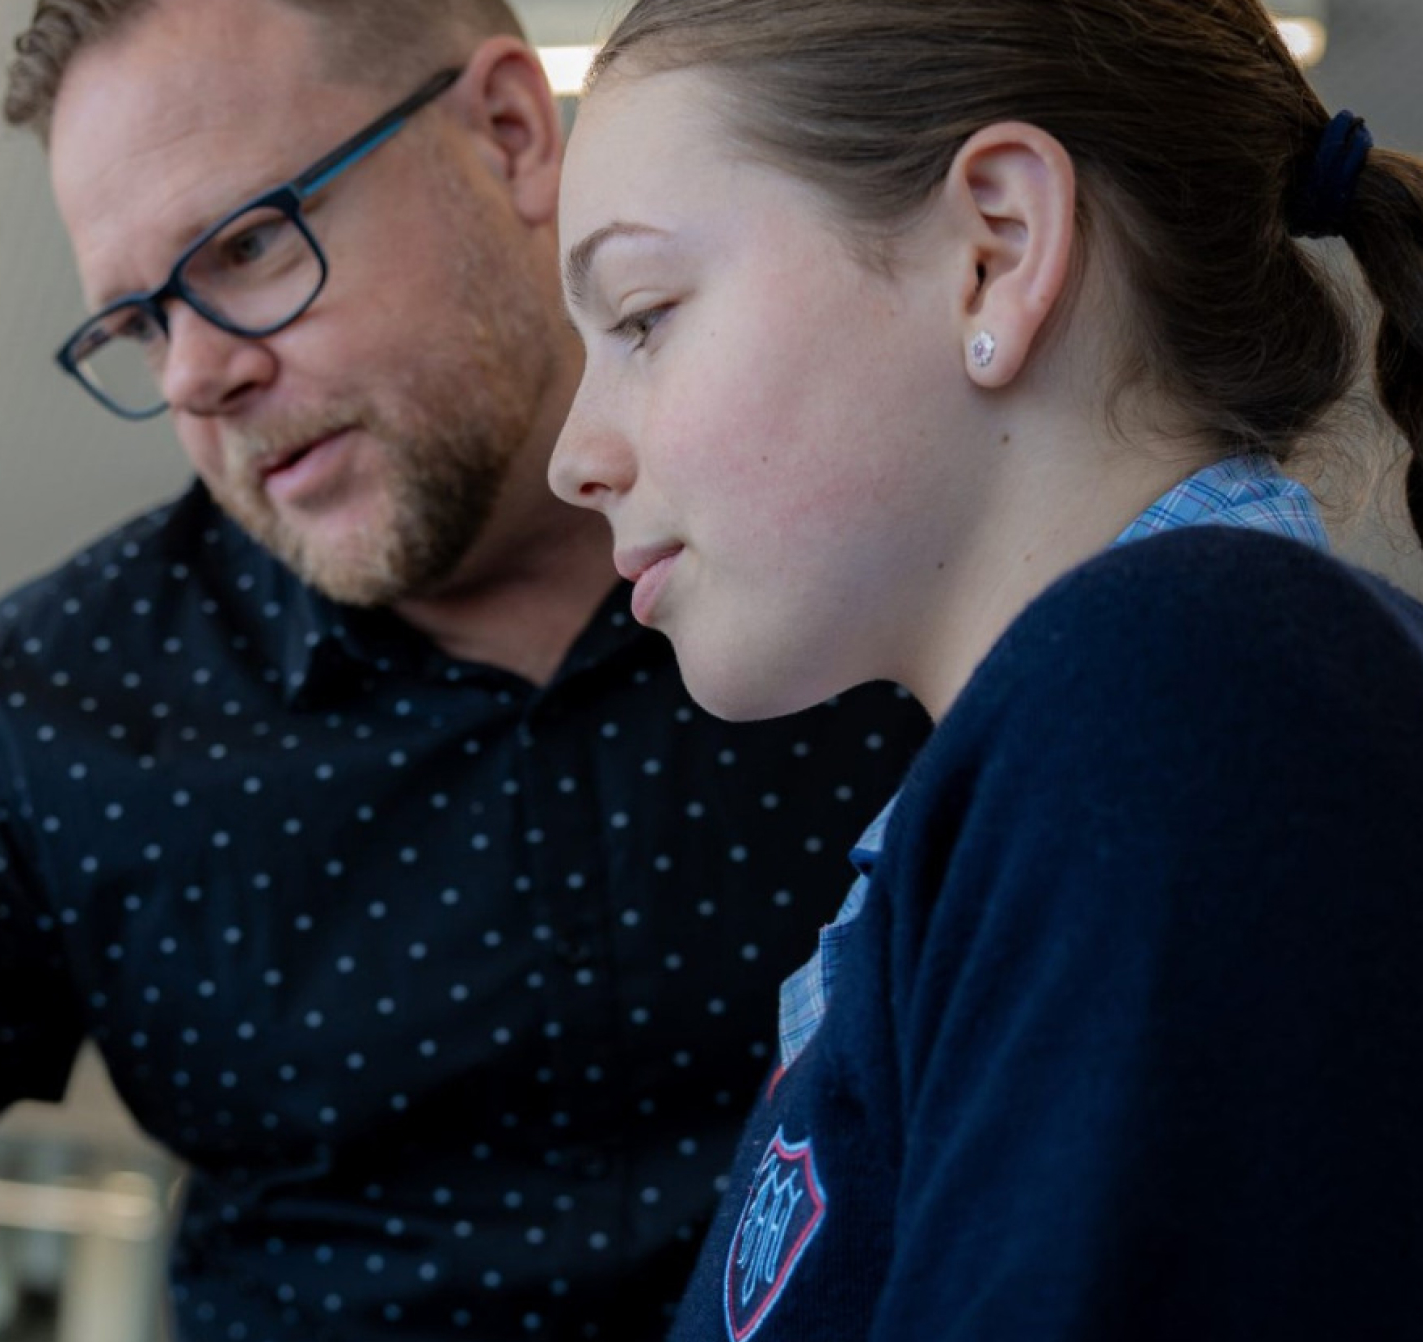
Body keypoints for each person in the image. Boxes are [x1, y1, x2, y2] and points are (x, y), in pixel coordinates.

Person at [0, 2, 931, 1339]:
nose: (198, 371)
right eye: (140, 318)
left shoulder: (885, 510)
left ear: (510, 132)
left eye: (251, 246)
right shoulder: (78, 712)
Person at [548, 0, 1423, 1337]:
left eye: (645, 314)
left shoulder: (1178, 695)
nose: (576, 452)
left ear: (996, 252)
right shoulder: (1117, 733)